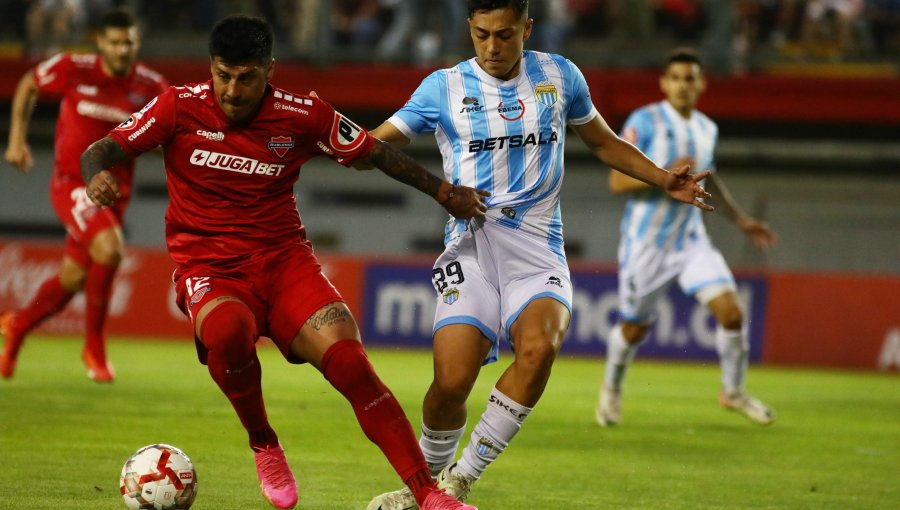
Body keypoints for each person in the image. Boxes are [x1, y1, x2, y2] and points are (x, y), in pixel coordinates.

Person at [80, 14, 485, 510]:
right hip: (211, 268)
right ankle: (264, 443)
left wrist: (443, 191)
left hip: (285, 263)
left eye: (246, 77)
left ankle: (427, 495)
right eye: (223, 75)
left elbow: (374, 153)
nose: (232, 90)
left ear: (269, 70)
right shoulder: (176, 107)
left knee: (351, 364)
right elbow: (103, 148)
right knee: (227, 332)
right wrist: (97, 175)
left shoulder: (303, 113)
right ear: (211, 69)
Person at [365, 2, 714, 508]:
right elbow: (378, 143)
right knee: (451, 383)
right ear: (469, 28)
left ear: (527, 27)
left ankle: (459, 480)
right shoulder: (442, 87)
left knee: (539, 350)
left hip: (538, 252)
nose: (491, 47)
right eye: (481, 34)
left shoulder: (560, 76)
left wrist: (663, 179)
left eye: (504, 35)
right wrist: (344, 144)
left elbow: (604, 142)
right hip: (472, 248)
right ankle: (422, 486)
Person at [596, 47, 777, 428]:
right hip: (646, 243)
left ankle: (734, 391)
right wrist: (664, 179)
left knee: (731, 313)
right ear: (664, 83)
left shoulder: (707, 128)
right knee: (634, 328)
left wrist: (742, 221)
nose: (682, 85)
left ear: (701, 84)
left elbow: (710, 179)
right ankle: (611, 388)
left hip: (692, 241)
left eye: (689, 78)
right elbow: (616, 180)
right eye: (675, 78)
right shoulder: (643, 121)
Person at [1, 7, 168, 382]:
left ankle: (18, 327)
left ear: (137, 41)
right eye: (114, 42)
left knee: (74, 278)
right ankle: (94, 345)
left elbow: (173, 127)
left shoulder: (151, 85)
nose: (122, 49)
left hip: (115, 194)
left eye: (128, 42)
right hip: (72, 183)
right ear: (100, 42)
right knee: (110, 249)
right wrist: (16, 140)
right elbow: (29, 81)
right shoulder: (74, 68)